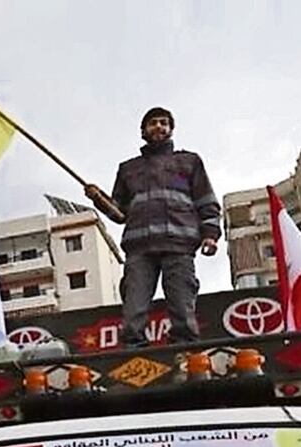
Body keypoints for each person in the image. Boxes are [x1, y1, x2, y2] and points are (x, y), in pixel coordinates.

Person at [83, 107, 221, 346]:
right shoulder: (128, 169)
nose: (159, 126)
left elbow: (206, 201)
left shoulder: (189, 162)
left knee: (181, 304)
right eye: (153, 123)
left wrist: (210, 235)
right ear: (143, 131)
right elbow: (119, 213)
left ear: (170, 129)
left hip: (179, 245)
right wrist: (98, 198)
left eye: (164, 123)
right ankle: (134, 349)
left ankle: (185, 348)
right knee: (134, 308)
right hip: (140, 249)